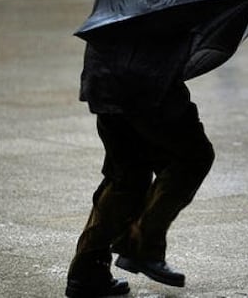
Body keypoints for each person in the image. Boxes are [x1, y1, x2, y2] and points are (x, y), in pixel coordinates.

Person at [65, 27, 215, 298]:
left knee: (128, 173)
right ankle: (142, 242)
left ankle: (88, 269)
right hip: (148, 78)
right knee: (194, 156)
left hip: (104, 71)